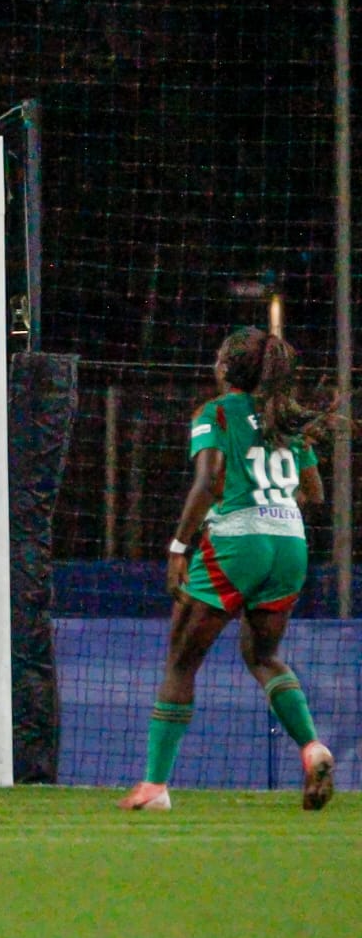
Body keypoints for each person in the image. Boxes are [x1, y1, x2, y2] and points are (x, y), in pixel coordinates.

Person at [120, 327, 337, 812]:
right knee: (263, 657)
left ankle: (154, 787)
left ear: (225, 368)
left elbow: (208, 480)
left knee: (181, 660)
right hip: (290, 543)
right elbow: (316, 494)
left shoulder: (216, 412)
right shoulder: (286, 420)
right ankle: (312, 747)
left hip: (239, 542)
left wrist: (180, 547)